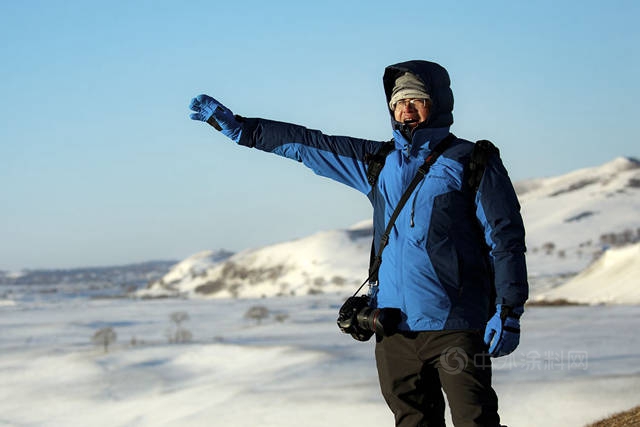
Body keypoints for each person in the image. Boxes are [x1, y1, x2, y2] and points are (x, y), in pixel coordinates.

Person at [189, 60, 528, 427]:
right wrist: (243, 130)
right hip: (394, 327)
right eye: (398, 101)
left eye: (416, 99)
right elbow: (308, 145)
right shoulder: (379, 163)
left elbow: (505, 240)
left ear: (439, 103)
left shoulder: (471, 161)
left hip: (456, 324)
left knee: (475, 421)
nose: (406, 108)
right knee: (412, 421)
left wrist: (508, 310)